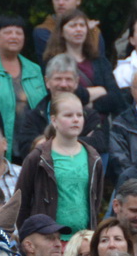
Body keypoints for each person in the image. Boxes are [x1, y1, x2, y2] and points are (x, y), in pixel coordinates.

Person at [13, 92, 103, 234]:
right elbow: (20, 203)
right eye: (68, 115)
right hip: (47, 241)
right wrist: (28, 238)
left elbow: (95, 202)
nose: (75, 120)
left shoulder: (93, 157)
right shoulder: (38, 157)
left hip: (82, 243)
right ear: (54, 120)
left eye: (79, 115)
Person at [0, 14, 46, 153]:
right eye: (8, 32)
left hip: (32, 144)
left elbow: (43, 107)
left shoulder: (34, 69)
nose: (14, 36)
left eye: (19, 33)